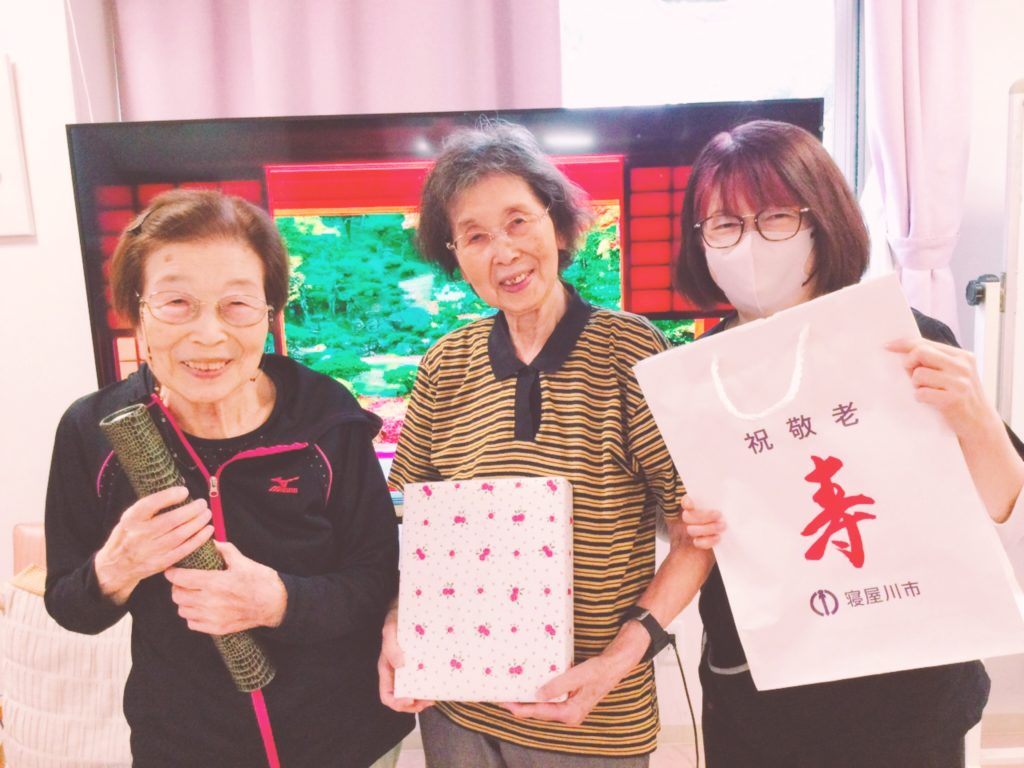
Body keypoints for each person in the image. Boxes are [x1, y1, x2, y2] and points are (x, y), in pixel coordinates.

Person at [674, 119, 1024, 768]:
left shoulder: (904, 339)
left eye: (776, 217)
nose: (749, 244)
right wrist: (690, 525)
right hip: (757, 698)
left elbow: (1008, 521)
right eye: (724, 225)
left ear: (822, 219)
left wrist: (977, 419)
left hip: (907, 697)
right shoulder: (695, 377)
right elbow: (693, 528)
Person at [377, 121, 714, 766]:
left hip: (591, 713)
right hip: (457, 710)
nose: (504, 251)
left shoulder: (631, 351)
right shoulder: (445, 364)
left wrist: (618, 660)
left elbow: (693, 532)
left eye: (518, 221)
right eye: (476, 236)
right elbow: (414, 533)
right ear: (455, 255)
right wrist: (396, 625)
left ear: (557, 226)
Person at [44, 189, 414, 767]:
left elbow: (376, 578)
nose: (209, 335)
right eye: (177, 303)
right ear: (137, 310)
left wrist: (280, 601)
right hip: (184, 748)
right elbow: (69, 606)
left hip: (347, 740)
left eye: (237, 304)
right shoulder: (93, 430)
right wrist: (116, 566)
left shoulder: (326, 417)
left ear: (269, 312)